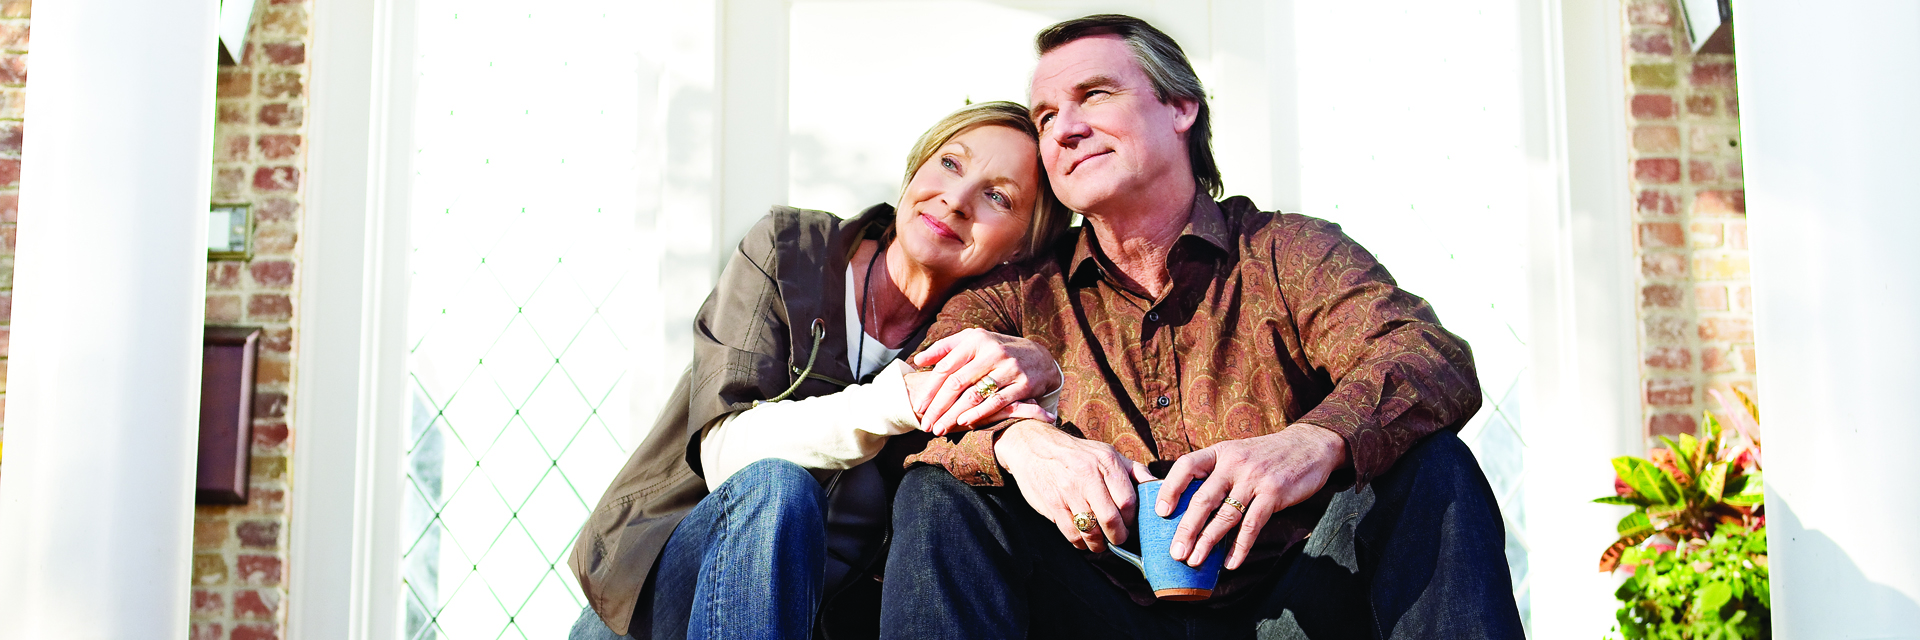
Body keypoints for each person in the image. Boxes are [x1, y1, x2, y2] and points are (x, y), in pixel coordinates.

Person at [877, 15, 1527, 639]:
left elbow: (1428, 357)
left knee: (1434, 464)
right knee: (939, 491)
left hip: (1291, 607)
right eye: (1047, 117)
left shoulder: (1287, 252)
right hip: (1090, 609)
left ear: (1180, 106)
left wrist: (1316, 438)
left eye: (1094, 95)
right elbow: (921, 391)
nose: (1066, 130)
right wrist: (1019, 441)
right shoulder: (1019, 291)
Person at [567, 101, 1072, 640]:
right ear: (917, 167)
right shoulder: (790, 252)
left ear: (1025, 244)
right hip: (663, 597)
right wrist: (894, 402)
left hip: (819, 622)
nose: (957, 199)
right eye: (950, 163)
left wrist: (1050, 381)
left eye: (998, 196)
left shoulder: (983, 343)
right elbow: (722, 455)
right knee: (778, 487)